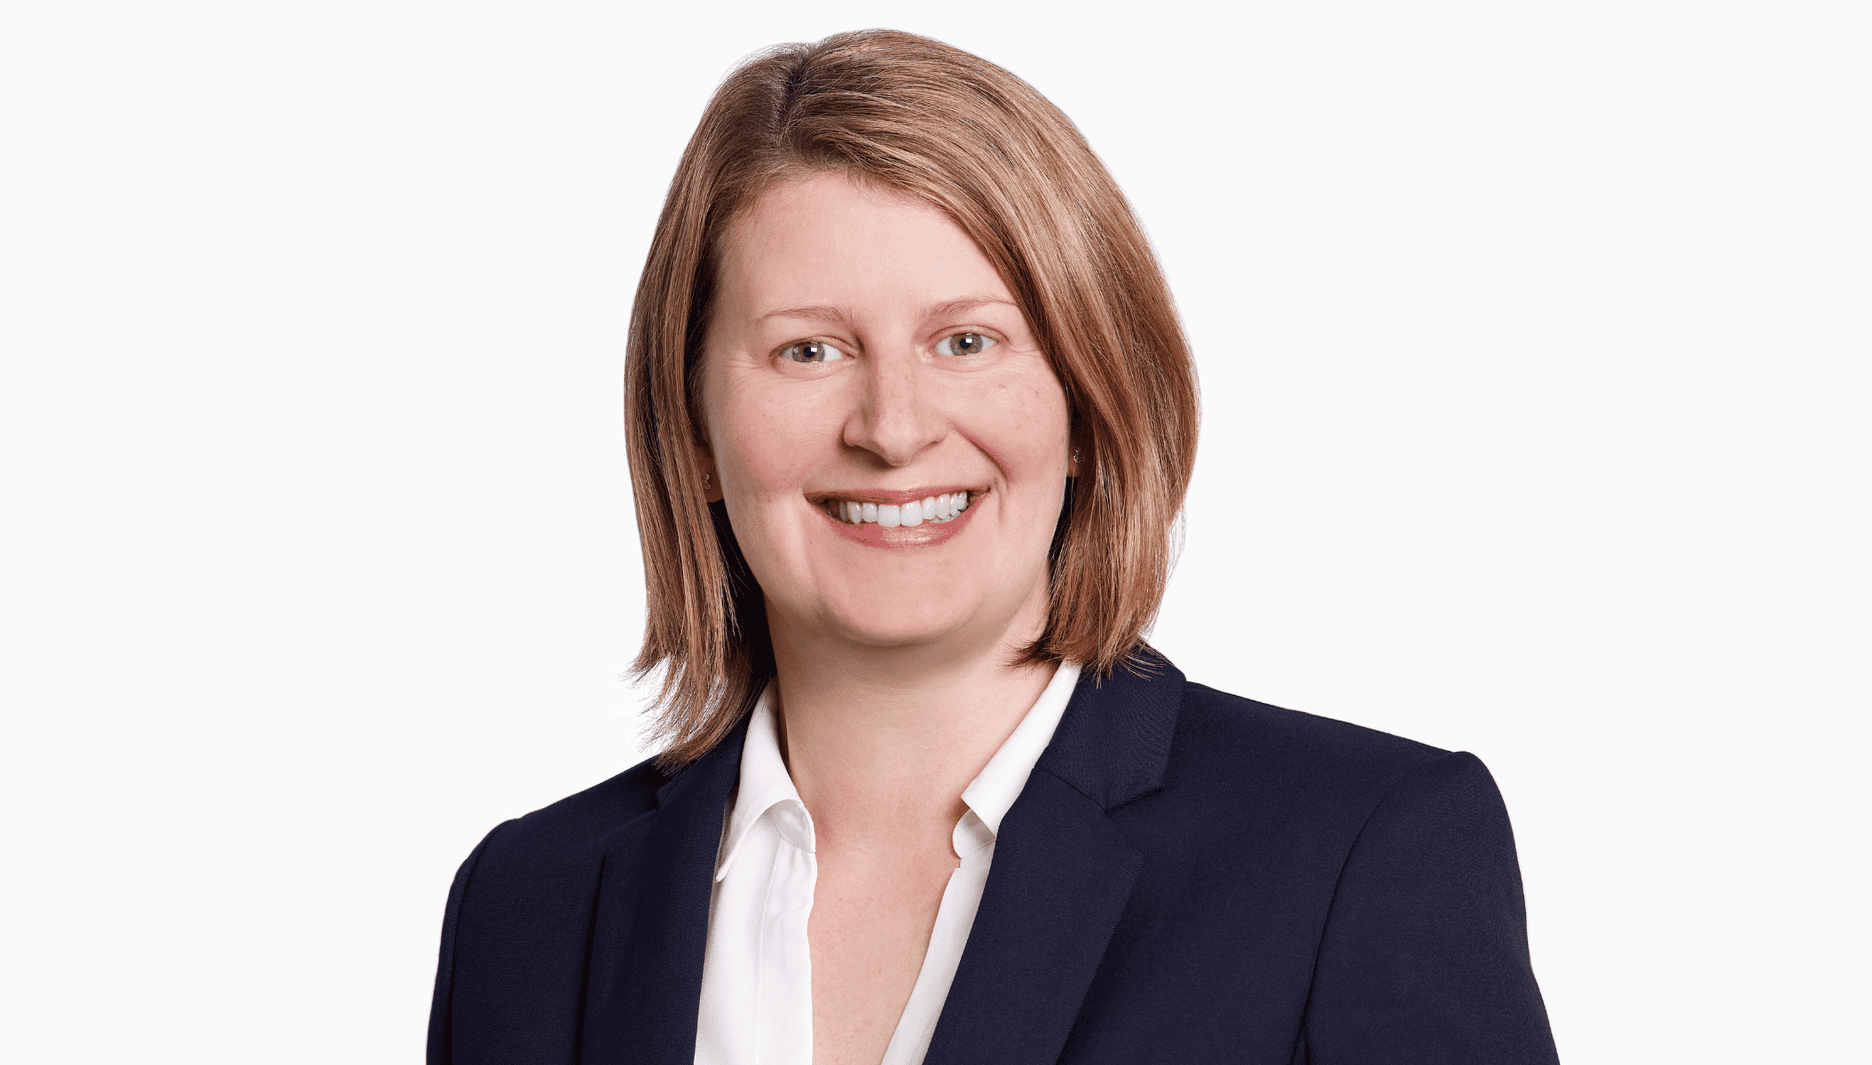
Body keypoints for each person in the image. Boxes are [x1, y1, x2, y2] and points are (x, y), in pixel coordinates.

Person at [426, 29, 1559, 1065]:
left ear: (1087, 401)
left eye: (966, 341)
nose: (894, 427)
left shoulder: (1357, 856)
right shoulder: (528, 906)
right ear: (696, 431)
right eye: (808, 352)